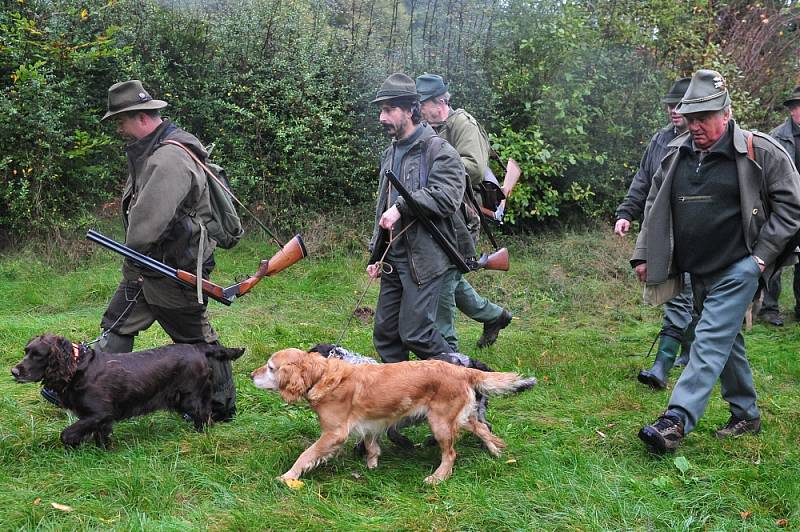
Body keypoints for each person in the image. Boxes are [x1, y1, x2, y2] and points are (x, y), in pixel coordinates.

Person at [40, 80, 236, 422]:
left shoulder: (168, 158)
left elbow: (147, 224)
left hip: (172, 266)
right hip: (152, 265)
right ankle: (82, 386)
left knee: (193, 337)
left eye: (121, 120)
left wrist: (133, 260)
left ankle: (218, 405)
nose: (118, 127)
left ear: (141, 117)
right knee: (117, 323)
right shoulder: (155, 150)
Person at [633, 70, 800, 452]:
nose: (695, 126)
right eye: (691, 118)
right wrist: (643, 253)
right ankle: (746, 414)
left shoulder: (761, 151)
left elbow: (792, 207)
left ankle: (676, 419)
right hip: (696, 269)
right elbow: (654, 205)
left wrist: (759, 259)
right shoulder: (676, 154)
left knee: (707, 339)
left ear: (726, 113)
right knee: (724, 339)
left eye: (703, 118)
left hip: (741, 267)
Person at [367, 73, 474, 363]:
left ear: (410, 110)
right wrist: (375, 255)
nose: (381, 117)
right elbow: (382, 206)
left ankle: (462, 377)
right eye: (380, 110)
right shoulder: (390, 153)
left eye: (389, 110)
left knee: (416, 332)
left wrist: (402, 207)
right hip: (393, 259)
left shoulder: (439, 150)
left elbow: (447, 196)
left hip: (425, 259)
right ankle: (404, 400)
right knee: (386, 335)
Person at [415, 73, 512, 350]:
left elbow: (475, 168)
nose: (419, 109)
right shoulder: (429, 126)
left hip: (462, 212)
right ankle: (494, 316)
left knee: (444, 274)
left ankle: (447, 351)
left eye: (423, 103)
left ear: (439, 101)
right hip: (441, 209)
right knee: (451, 275)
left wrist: (435, 169)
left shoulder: (462, 123)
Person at [614, 77, 697, 388]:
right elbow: (643, 181)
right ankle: (688, 353)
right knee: (679, 295)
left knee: (685, 296)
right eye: (670, 105)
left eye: (680, 105)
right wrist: (626, 213)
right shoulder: (660, 140)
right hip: (663, 232)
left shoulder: (705, 140)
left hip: (697, 233)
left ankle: (663, 365)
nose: (674, 110)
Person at [758, 86, 800, 326]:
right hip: (783, 207)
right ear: (793, 111)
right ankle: (769, 308)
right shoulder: (776, 137)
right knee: (776, 256)